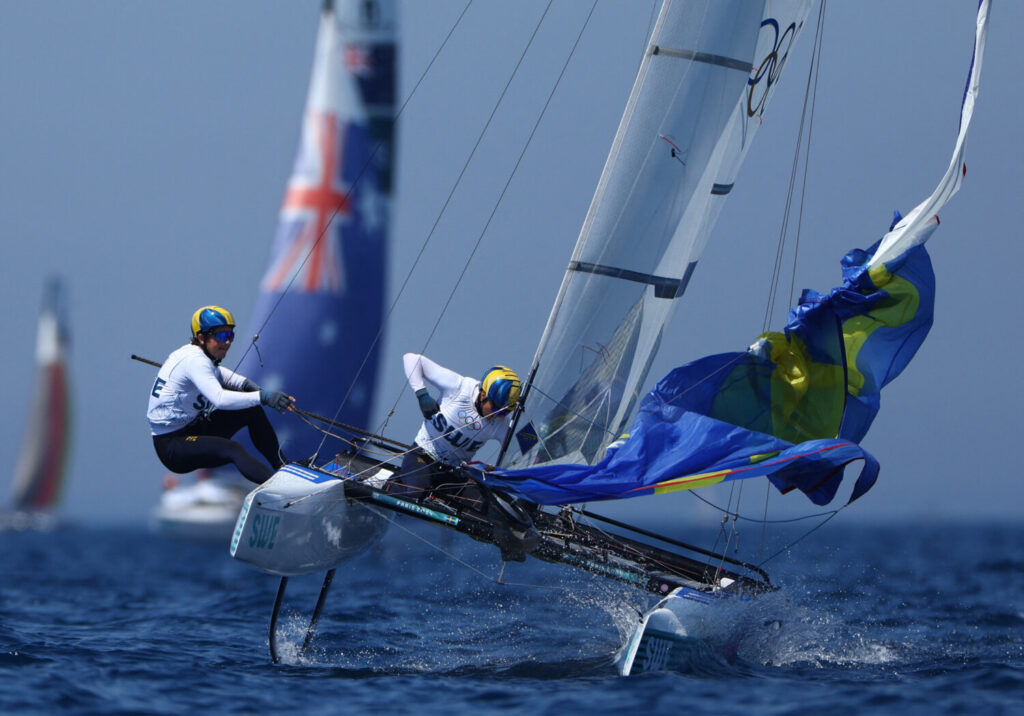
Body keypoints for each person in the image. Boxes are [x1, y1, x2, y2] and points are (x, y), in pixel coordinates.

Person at [147, 305, 296, 485]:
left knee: (251, 411)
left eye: (230, 336)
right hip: (173, 447)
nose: (227, 342)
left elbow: (219, 373)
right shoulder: (195, 361)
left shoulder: (197, 355)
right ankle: (280, 488)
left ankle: (282, 468)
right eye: (221, 336)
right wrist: (262, 396)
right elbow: (219, 398)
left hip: (195, 428)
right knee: (233, 449)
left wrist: (247, 385)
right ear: (201, 337)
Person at [389, 353, 521, 500]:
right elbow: (411, 359)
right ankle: (389, 485)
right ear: (483, 395)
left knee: (489, 507)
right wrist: (421, 394)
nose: (498, 415)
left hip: (453, 473)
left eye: (504, 412)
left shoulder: (499, 424)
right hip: (422, 457)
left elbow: (524, 449)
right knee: (417, 494)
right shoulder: (459, 387)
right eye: (496, 408)